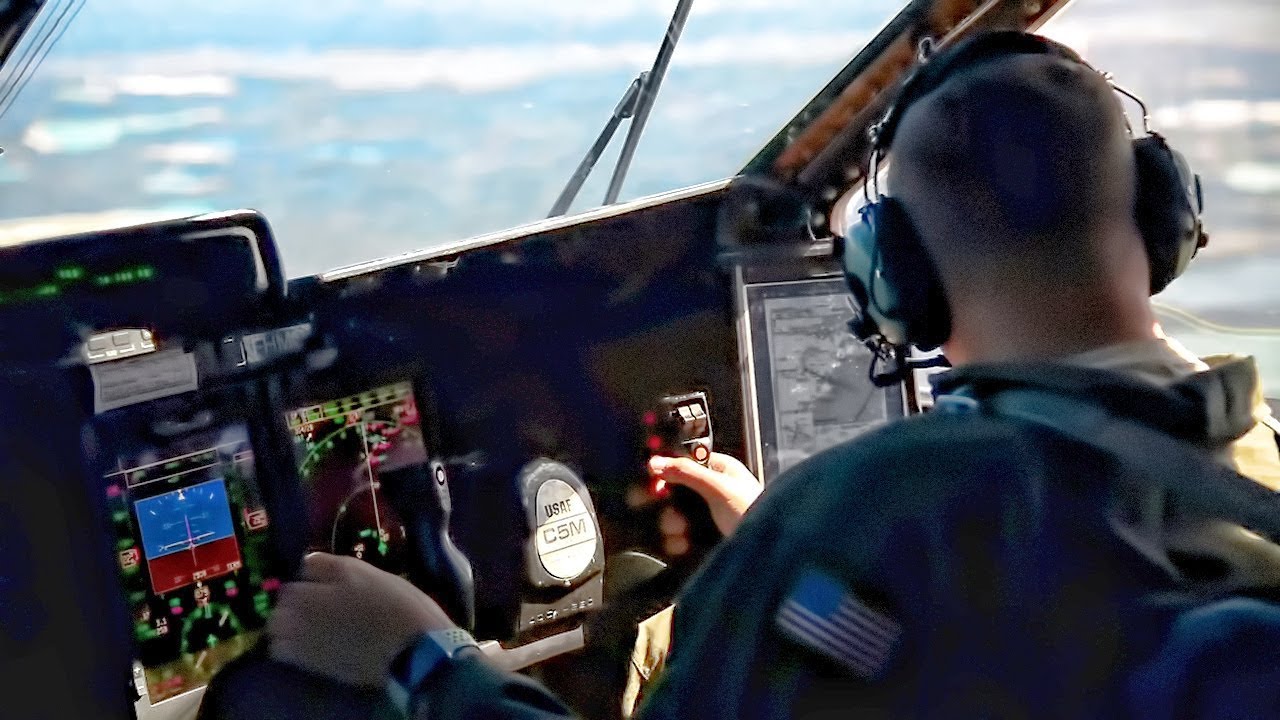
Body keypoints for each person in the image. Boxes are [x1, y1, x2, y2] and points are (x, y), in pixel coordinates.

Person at [265, 32, 1280, 719]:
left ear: (896, 275)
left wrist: (421, 658)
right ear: (1156, 225)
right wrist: (789, 557)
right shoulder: (1255, 458)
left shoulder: (864, 514)